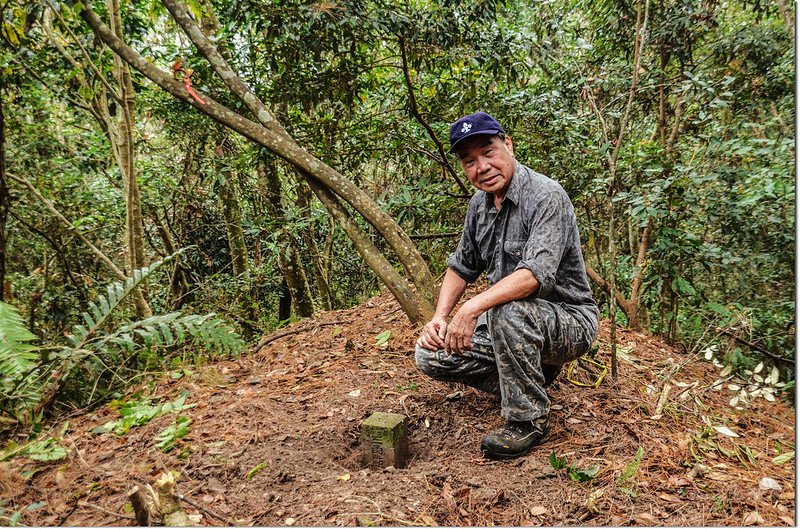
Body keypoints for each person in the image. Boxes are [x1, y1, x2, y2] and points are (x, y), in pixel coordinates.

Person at [415, 111, 599, 459]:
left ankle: (527, 419)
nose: (481, 167)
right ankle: (530, 382)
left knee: (506, 311)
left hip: (568, 319)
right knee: (430, 354)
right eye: (469, 161)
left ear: (508, 145)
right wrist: (440, 316)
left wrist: (472, 307)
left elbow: (534, 274)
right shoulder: (478, 206)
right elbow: (461, 267)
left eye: (488, 152)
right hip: (511, 323)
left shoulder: (546, 196)